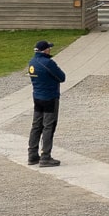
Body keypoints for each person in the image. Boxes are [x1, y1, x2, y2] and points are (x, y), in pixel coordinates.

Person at [27, 38, 66, 166]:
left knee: (36, 126)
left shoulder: (32, 62)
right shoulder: (48, 63)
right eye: (49, 48)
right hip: (50, 97)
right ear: (45, 50)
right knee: (49, 126)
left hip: (37, 97)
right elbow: (61, 77)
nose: (50, 50)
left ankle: (32, 155)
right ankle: (45, 156)